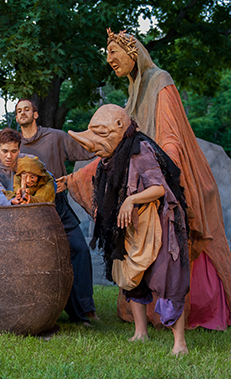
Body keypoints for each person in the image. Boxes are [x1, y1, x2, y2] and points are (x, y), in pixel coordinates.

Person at [105, 28, 231, 330]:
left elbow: (170, 136)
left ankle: (191, 316)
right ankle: (143, 322)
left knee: (174, 248)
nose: (109, 60)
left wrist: (166, 172)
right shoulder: (131, 94)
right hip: (141, 181)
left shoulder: (160, 81)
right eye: (107, 54)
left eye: (113, 53)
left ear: (132, 53)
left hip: (164, 178)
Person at [60, 104, 190, 355]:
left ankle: (179, 343)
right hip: (128, 227)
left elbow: (160, 188)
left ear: (119, 128)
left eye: (101, 134)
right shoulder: (111, 158)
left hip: (155, 223)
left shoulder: (140, 150)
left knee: (166, 279)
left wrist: (131, 200)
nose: (94, 143)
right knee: (132, 280)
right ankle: (140, 333)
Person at [15, 98, 98, 323]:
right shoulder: (14, 145)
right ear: (16, 117)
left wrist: (104, 138)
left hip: (57, 203)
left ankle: (86, 310)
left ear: (35, 114)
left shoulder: (56, 136)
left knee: (79, 250)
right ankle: (35, 310)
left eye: (26, 109)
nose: (22, 113)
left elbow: (87, 150)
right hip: (29, 209)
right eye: (18, 111)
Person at [0, 128, 37, 206]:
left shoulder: (29, 161)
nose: (9, 156)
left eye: (13, 151)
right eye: (5, 151)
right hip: (6, 213)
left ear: (19, 149)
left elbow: (47, 178)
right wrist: (11, 201)